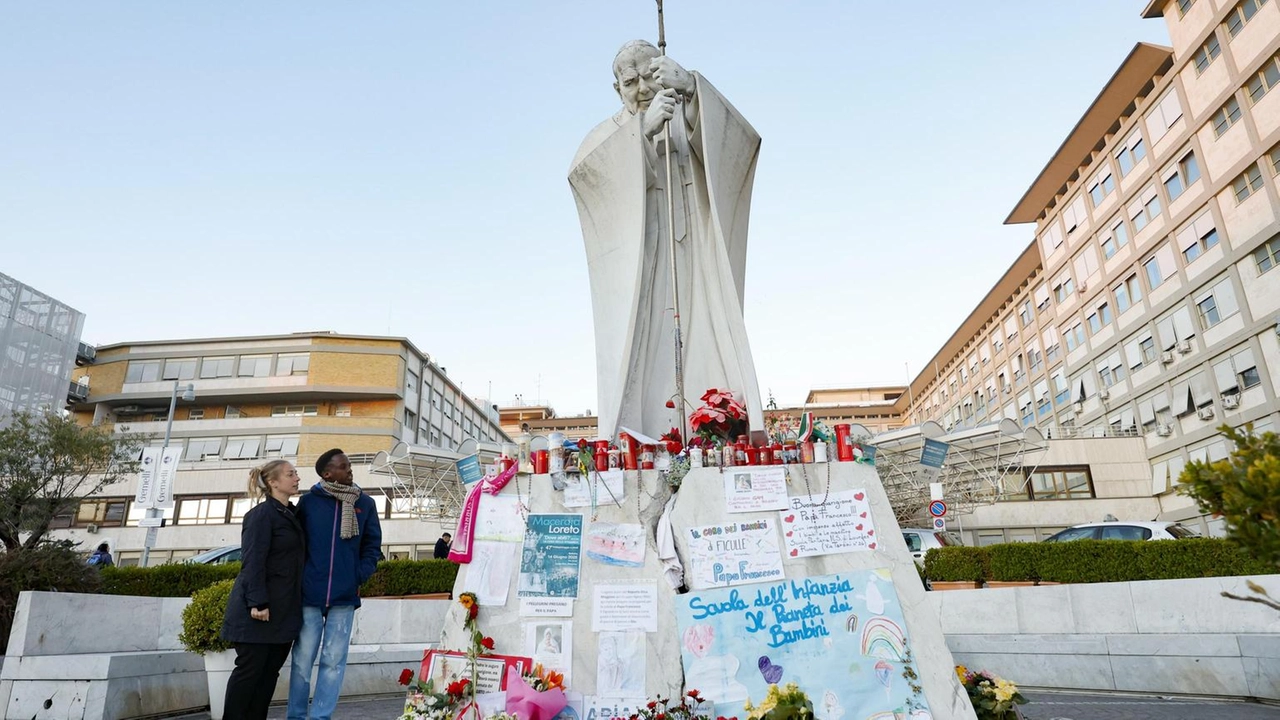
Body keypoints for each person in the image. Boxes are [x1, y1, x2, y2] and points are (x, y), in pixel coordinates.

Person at [570, 40, 765, 439]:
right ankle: (641, 435)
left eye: (650, 76)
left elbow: (741, 143)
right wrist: (639, 134)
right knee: (644, 347)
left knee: (707, 329)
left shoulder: (685, 113)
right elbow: (586, 179)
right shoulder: (605, 136)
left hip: (695, 254)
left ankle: (715, 428)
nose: (642, 88)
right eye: (630, 81)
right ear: (617, 89)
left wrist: (692, 89)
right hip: (641, 262)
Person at [288, 448, 382, 720]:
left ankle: (320, 717)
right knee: (303, 660)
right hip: (310, 595)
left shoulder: (365, 502)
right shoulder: (309, 502)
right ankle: (296, 715)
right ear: (327, 473)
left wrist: (359, 574)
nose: (350, 470)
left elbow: (372, 545)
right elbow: (296, 545)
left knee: (333, 662)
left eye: (349, 465)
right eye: (343, 466)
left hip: (344, 596)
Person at [220, 460, 304, 720]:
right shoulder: (260, 516)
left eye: (296, 473)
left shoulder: (291, 513)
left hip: (282, 612)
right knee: (249, 673)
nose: (297, 478)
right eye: (291, 474)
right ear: (273, 482)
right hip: (257, 613)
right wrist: (257, 602)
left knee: (269, 675)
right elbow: (253, 561)